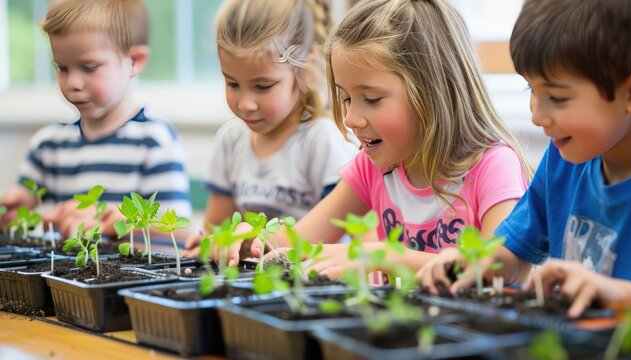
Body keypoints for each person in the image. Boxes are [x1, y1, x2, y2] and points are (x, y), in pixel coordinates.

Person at [220, 0, 532, 274]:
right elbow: (299, 241)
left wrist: (383, 255)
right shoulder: (372, 168)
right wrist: (251, 240)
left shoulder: (493, 166)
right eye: (345, 99)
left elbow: (498, 267)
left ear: (433, 92)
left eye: (371, 99)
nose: (351, 119)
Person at [417, 0, 631, 318]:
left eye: (557, 98)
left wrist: (617, 294)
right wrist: (475, 261)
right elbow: (513, 253)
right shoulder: (563, 160)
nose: (537, 115)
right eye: (530, 89)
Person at [0, 0, 192, 238]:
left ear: (135, 60)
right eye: (62, 68)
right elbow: (30, 212)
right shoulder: (48, 145)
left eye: (89, 67)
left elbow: (177, 230)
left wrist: (119, 220)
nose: (73, 84)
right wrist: (18, 204)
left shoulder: (154, 140)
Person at [182, 0, 356, 256]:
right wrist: (210, 245)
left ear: (305, 72)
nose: (245, 103)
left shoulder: (323, 140)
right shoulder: (231, 139)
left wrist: (252, 241)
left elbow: (336, 237)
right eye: (232, 84)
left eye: (262, 86)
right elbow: (215, 229)